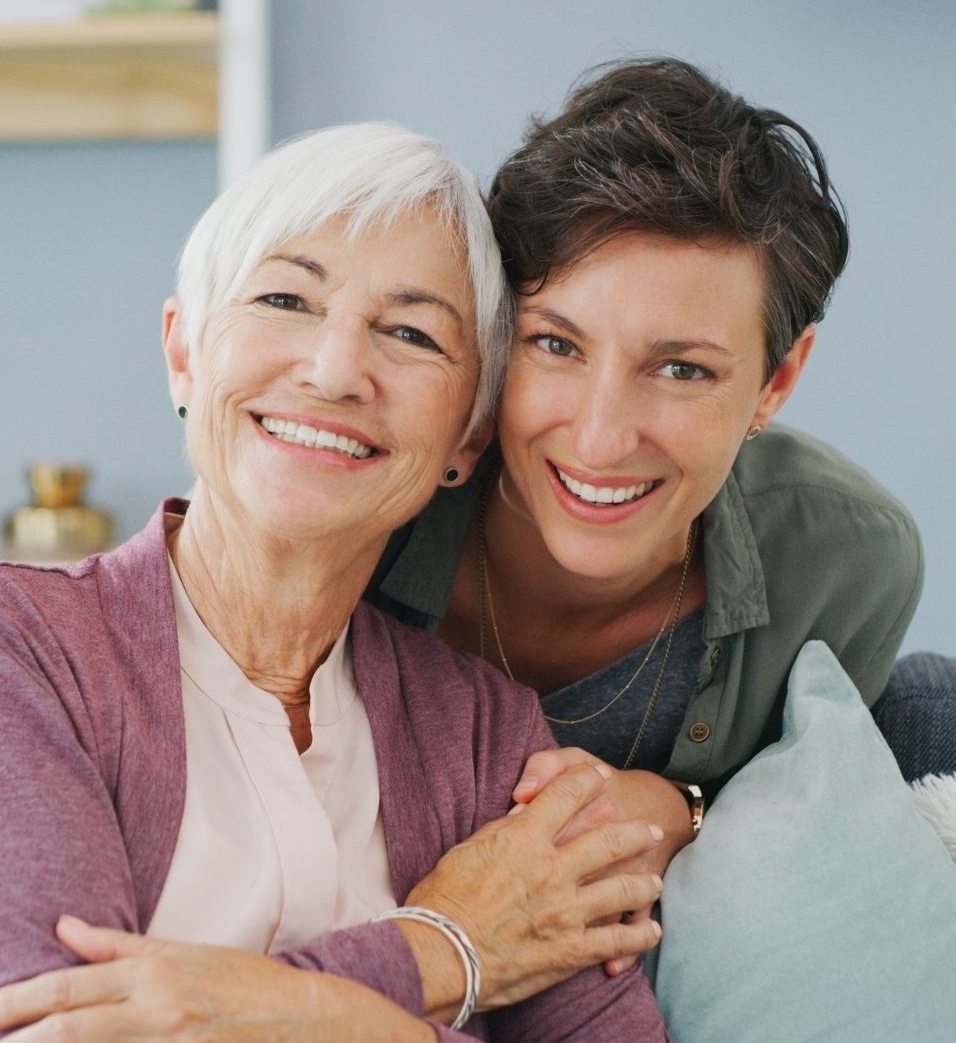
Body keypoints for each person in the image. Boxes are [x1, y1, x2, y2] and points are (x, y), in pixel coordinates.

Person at [0, 123, 669, 1043]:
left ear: (468, 439)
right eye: (286, 298)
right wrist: (435, 958)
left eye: (411, 333)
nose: (333, 372)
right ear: (184, 354)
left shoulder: (486, 735)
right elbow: (30, 1030)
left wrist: (307, 1010)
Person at [367, 60, 924, 941]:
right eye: (556, 345)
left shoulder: (848, 562)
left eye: (681, 369)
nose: (599, 439)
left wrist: (679, 809)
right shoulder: (368, 505)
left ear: (777, 382)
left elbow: (796, 833)